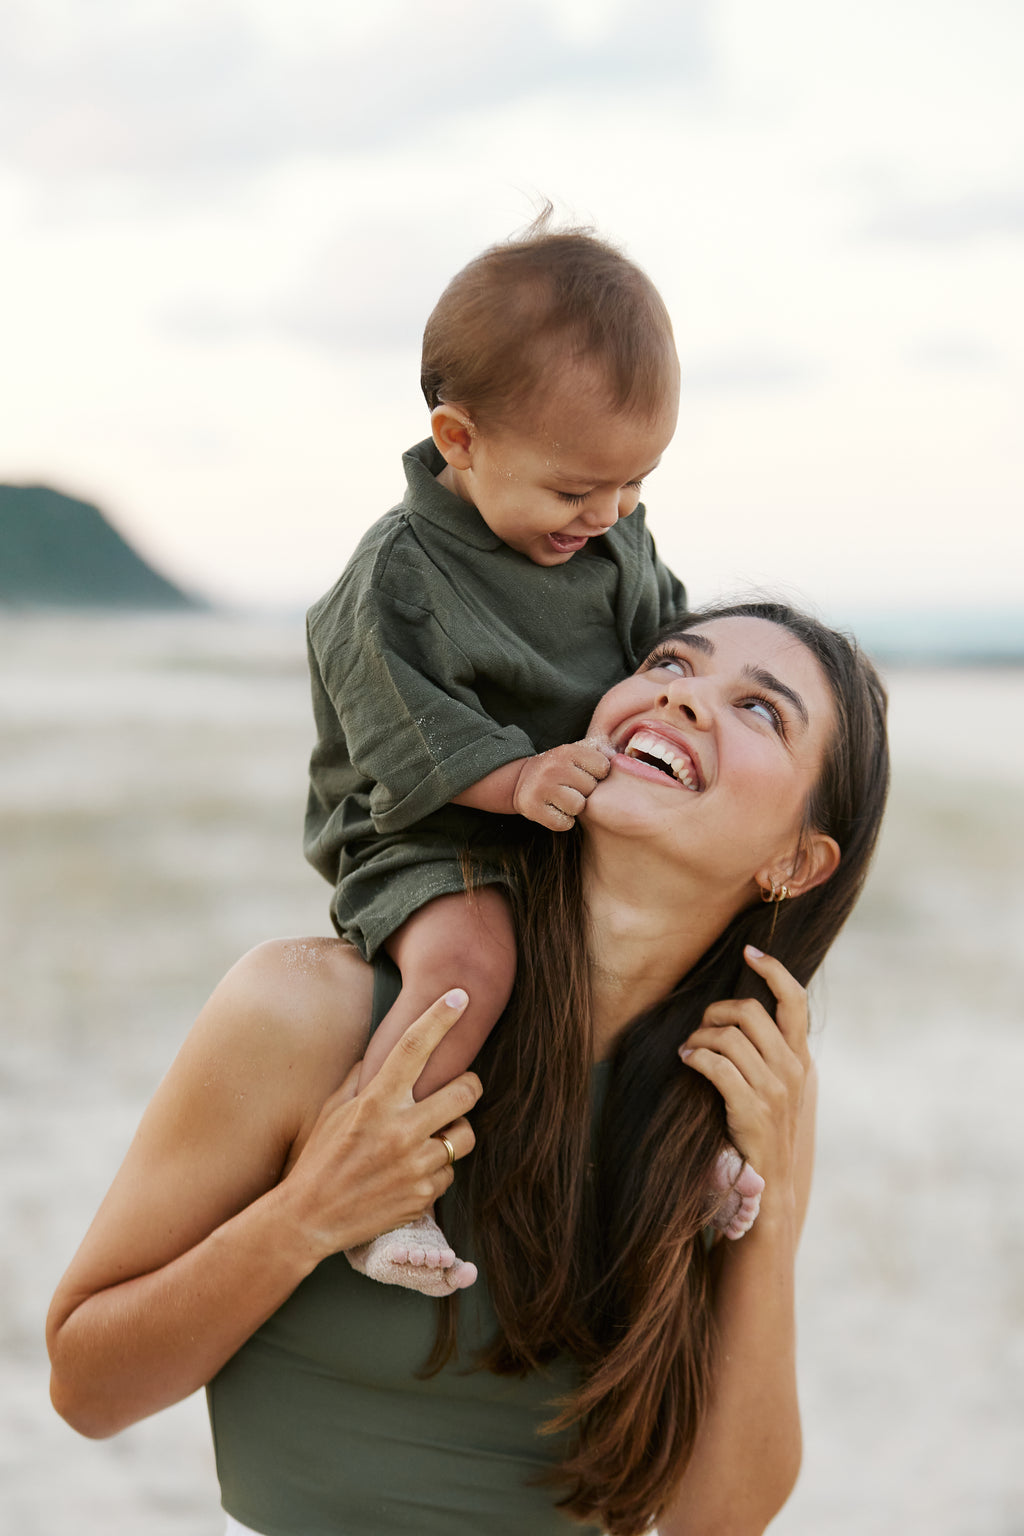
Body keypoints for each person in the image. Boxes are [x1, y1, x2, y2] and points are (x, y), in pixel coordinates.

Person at [47, 601, 889, 1536]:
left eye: (761, 710)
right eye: (668, 663)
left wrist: (765, 1225)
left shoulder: (750, 1095)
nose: (683, 698)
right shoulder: (310, 1013)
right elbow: (88, 1388)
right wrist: (308, 1216)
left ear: (798, 863)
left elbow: (715, 1522)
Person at [303, 217, 748, 1292]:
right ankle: (381, 1180)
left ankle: (669, 1159)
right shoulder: (395, 582)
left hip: (563, 817)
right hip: (431, 830)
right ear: (459, 440)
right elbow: (409, 742)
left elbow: (664, 649)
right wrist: (520, 779)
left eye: (635, 483)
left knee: (668, 958)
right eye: (574, 491)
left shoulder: (609, 532)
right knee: (476, 969)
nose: (606, 516)